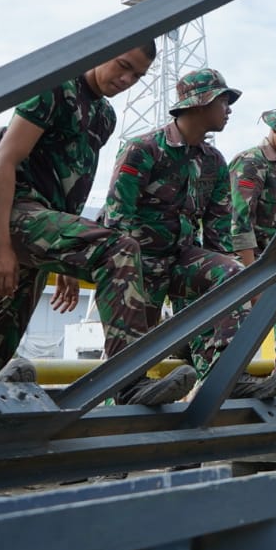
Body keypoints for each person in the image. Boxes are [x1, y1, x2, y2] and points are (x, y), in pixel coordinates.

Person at [0, 40, 196, 405]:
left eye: (137, 75)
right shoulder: (54, 88)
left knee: (0, 331)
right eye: (122, 65)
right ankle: (129, 380)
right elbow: (3, 162)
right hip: (9, 211)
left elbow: (75, 187)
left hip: (47, 222)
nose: (127, 79)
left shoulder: (105, 116)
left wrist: (69, 263)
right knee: (120, 247)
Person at [101, 69, 259, 386]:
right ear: (201, 103)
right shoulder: (143, 149)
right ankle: (118, 403)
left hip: (180, 261)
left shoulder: (213, 161)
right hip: (137, 265)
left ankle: (226, 377)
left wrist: (221, 283)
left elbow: (217, 235)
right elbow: (117, 219)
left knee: (231, 273)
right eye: (223, 102)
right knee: (130, 358)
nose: (228, 110)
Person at [227, 97, 276, 376]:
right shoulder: (251, 162)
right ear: (275, 130)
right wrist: (253, 284)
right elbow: (239, 224)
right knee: (232, 345)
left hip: (273, 270)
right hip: (248, 269)